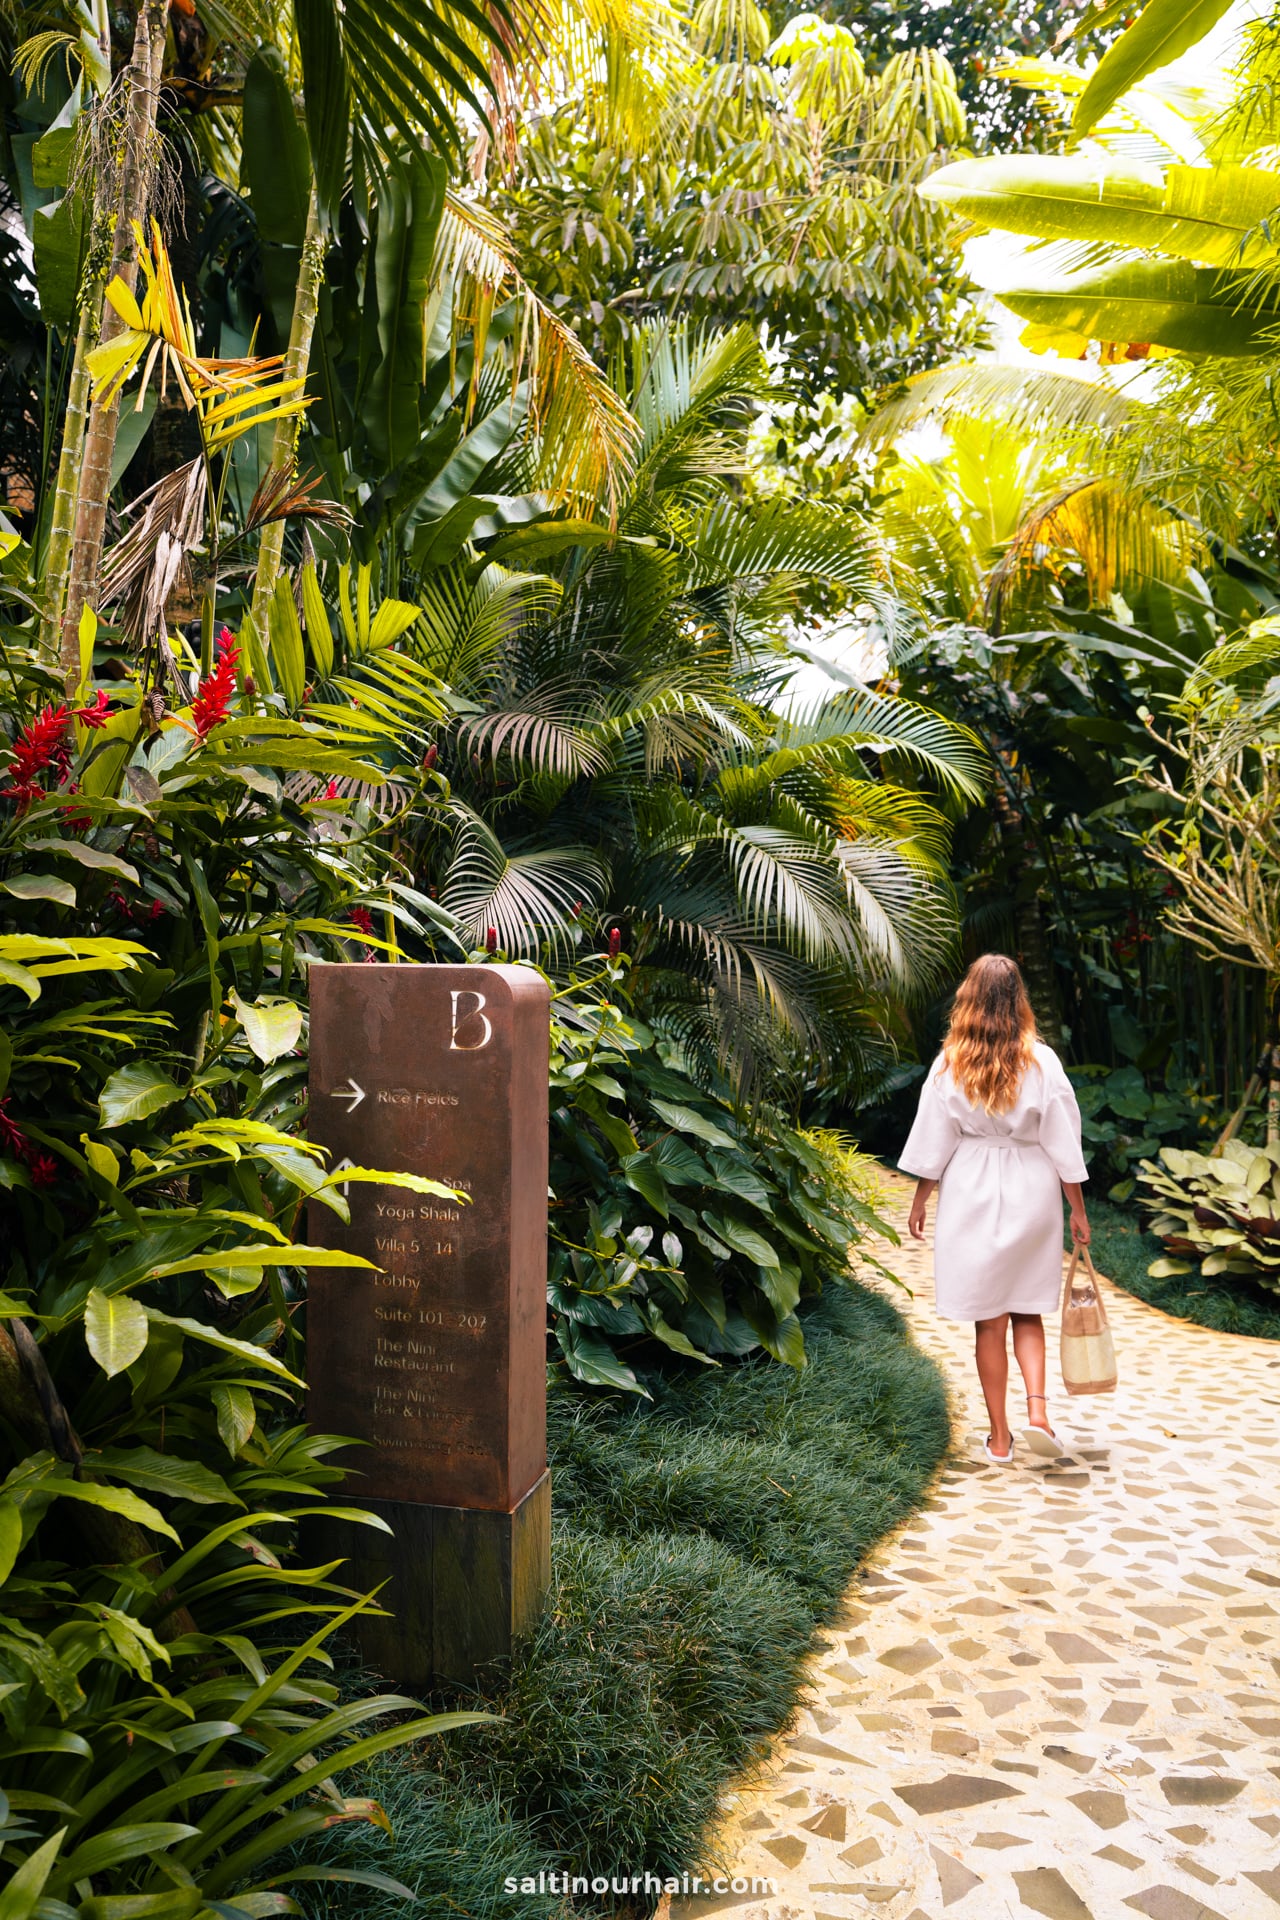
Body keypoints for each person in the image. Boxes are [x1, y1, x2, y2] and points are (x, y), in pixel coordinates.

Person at [898, 954, 1090, 1464]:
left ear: (969, 998)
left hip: (971, 1191)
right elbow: (1064, 1141)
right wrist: (1077, 1210)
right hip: (1032, 1188)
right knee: (1028, 1309)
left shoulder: (950, 1061)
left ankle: (1000, 1439)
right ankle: (1039, 1413)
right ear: (1018, 999)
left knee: (990, 1321)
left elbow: (933, 1137)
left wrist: (920, 1198)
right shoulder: (1042, 1061)